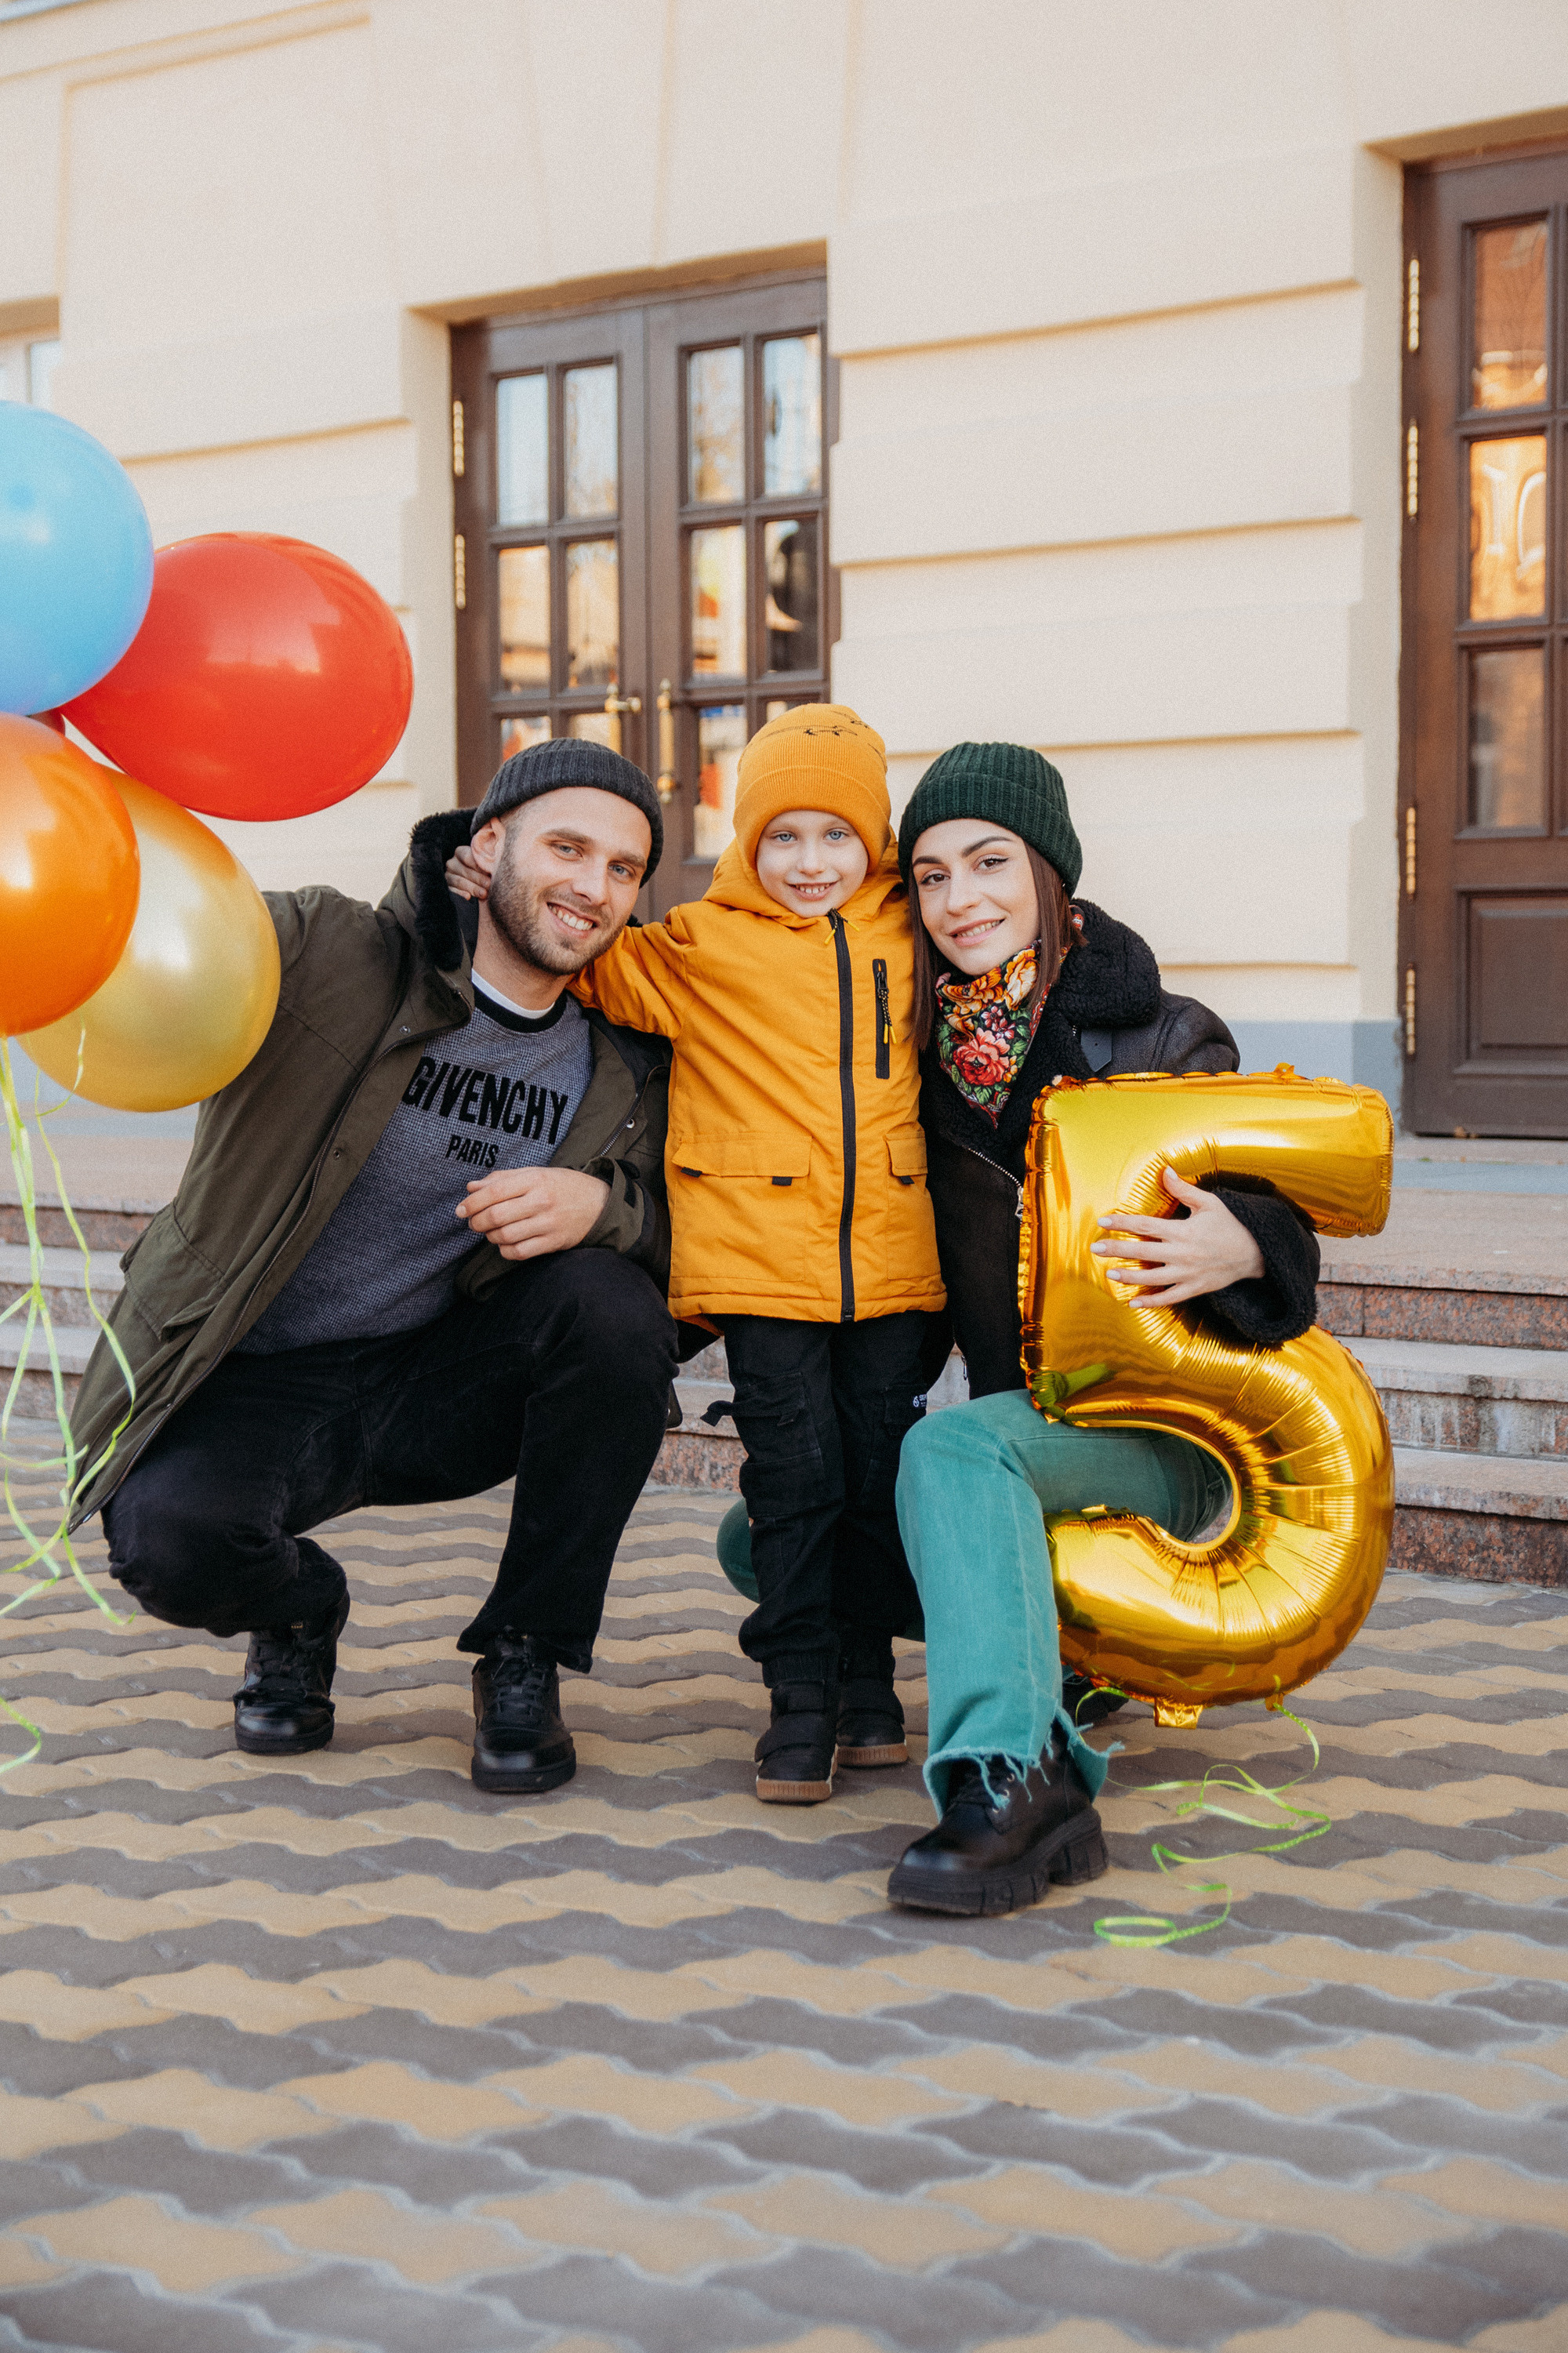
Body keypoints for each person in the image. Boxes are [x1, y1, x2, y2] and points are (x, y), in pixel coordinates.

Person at [71, 739, 683, 1798]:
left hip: (433, 1381)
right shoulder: (327, 951)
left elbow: (699, 1228)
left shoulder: (620, 1068)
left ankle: (526, 1650)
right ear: (490, 844)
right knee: (167, 1545)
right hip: (256, 1372)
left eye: (623, 868)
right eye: (568, 848)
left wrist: (604, 1207)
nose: (594, 886)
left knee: (615, 1310)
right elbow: (162, 928)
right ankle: (300, 1611)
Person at [452, 703, 946, 1805]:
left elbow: (1019, 952)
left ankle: (868, 1685)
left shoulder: (914, 934)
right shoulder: (700, 944)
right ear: (746, 841)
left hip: (895, 1269)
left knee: (878, 1481)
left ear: (873, 839)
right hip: (759, 1271)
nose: (809, 862)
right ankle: (800, 1699)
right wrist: (470, 870)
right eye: (782, 836)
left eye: (836, 835)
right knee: (796, 1486)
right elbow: (581, 956)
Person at [885, 742, 1320, 1916]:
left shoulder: (1164, 1034)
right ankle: (1072, 1651)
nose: (960, 898)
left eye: (989, 862)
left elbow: (1286, 1225)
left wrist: (1248, 1246)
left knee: (953, 1453)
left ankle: (1018, 1778)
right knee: (770, 1536)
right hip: (1028, 1427)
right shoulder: (918, 1062)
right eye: (931, 875)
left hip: (1162, 1434)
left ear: (1049, 875)